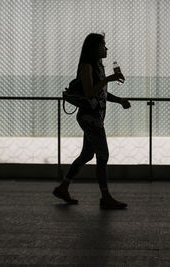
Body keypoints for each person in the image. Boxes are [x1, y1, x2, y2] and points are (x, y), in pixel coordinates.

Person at [53, 33, 130, 209]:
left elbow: (100, 94)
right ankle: (105, 197)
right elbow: (89, 92)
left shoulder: (98, 66)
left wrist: (120, 101)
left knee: (87, 154)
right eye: (103, 45)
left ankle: (63, 187)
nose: (106, 48)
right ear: (94, 48)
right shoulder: (86, 67)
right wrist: (108, 79)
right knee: (103, 156)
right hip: (90, 119)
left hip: (94, 118)